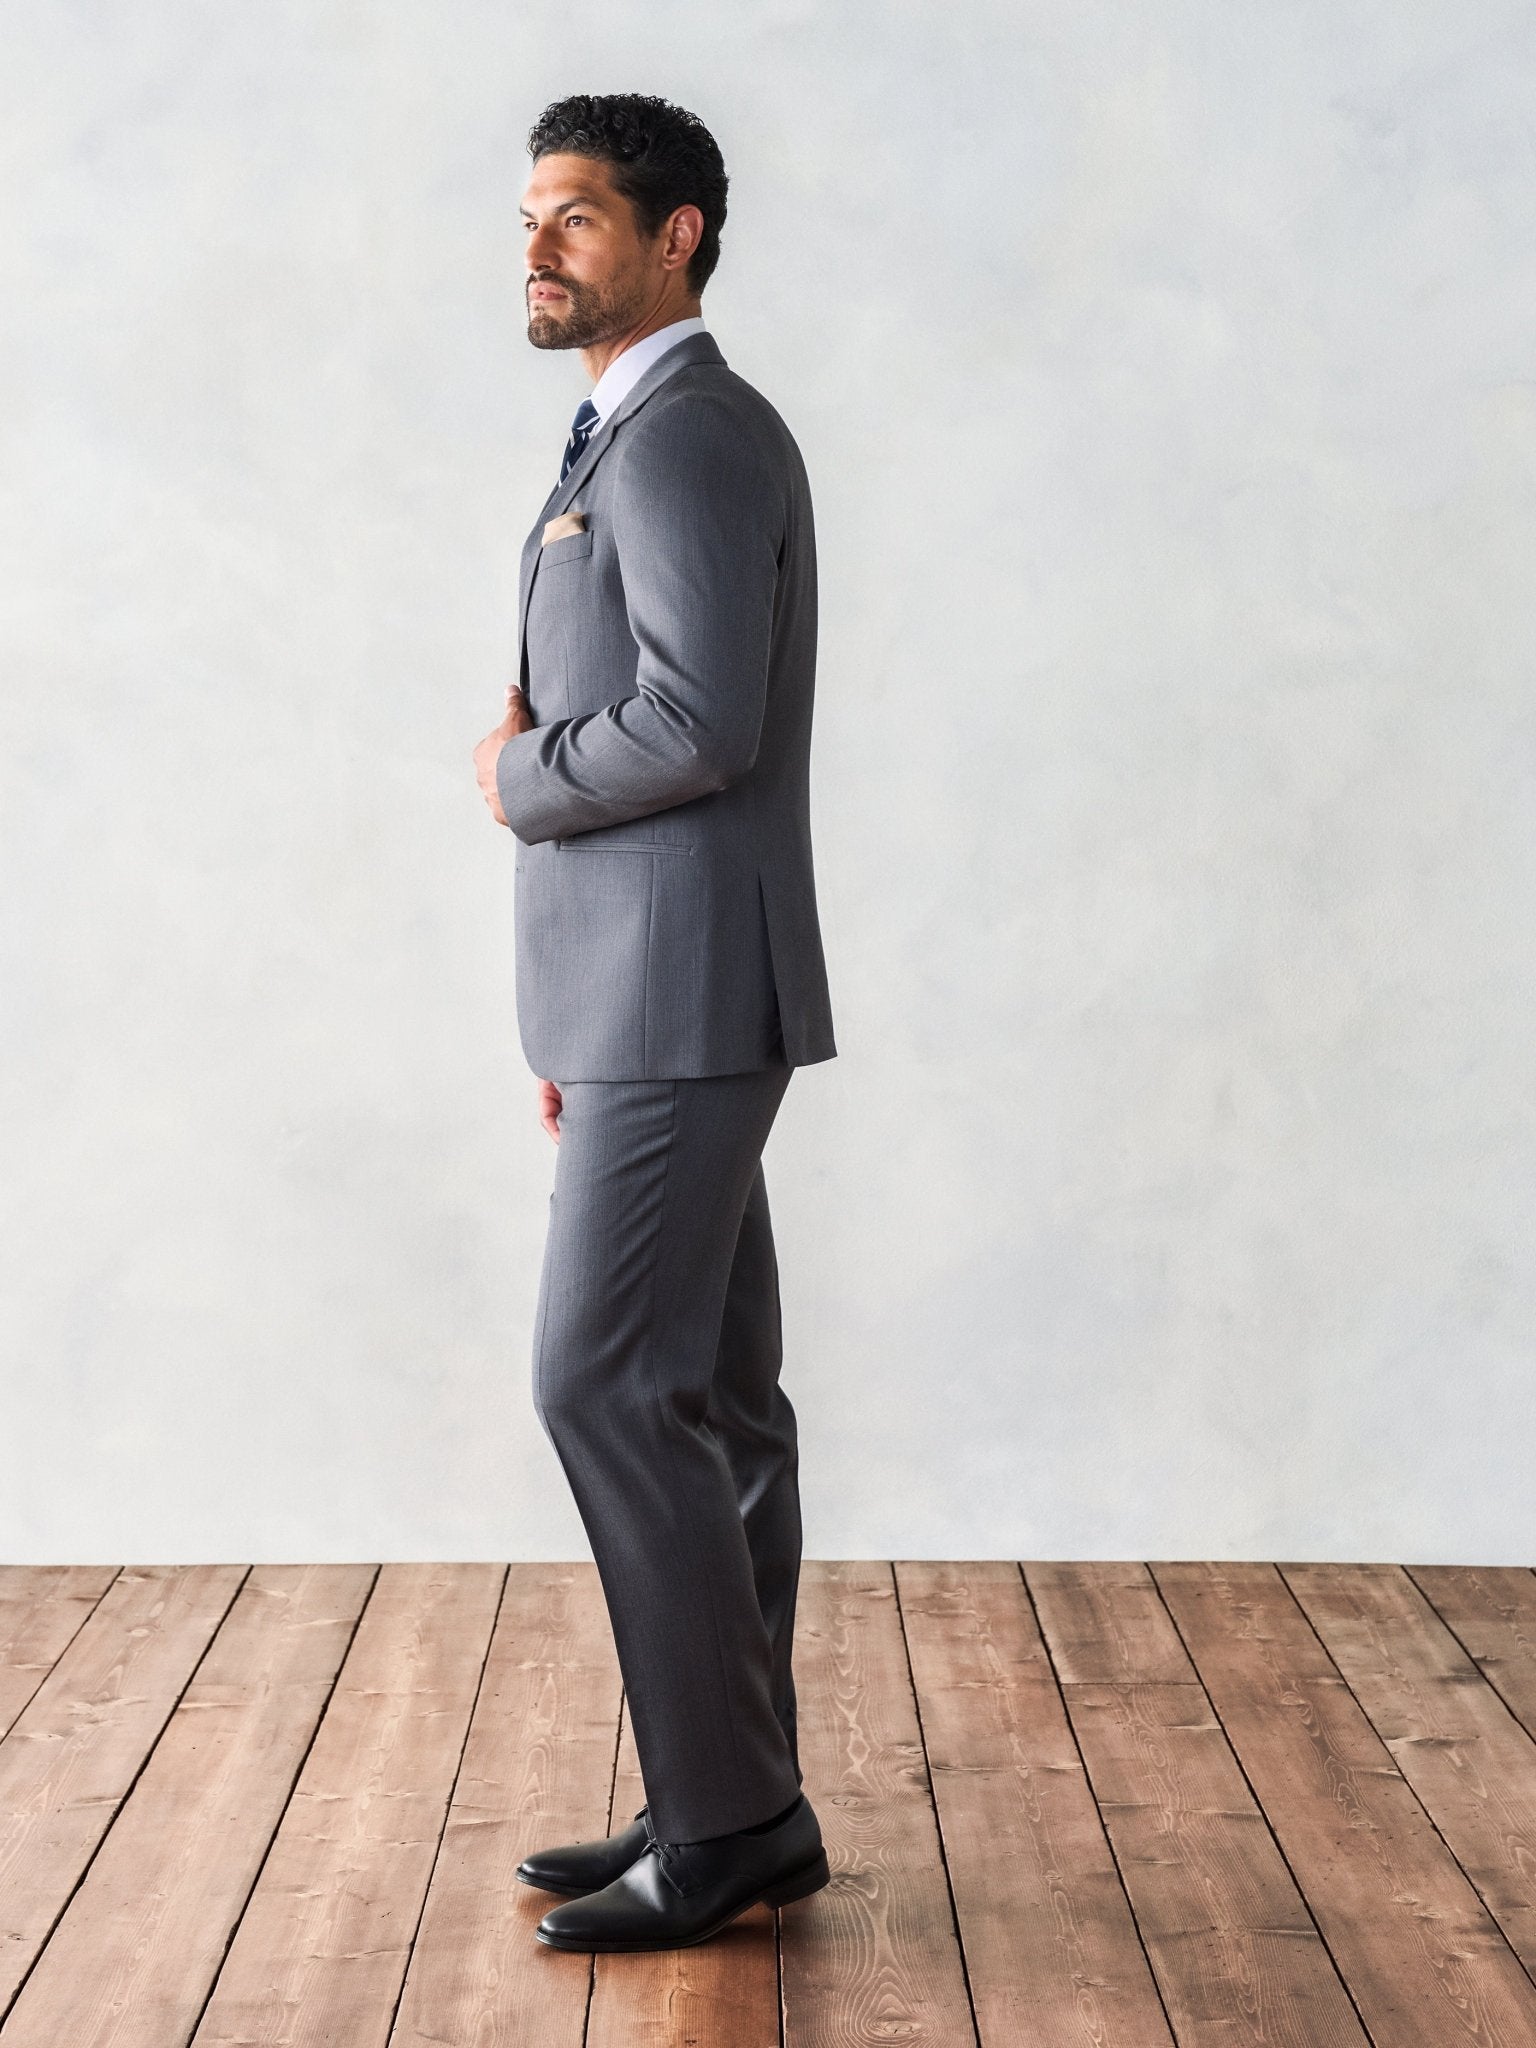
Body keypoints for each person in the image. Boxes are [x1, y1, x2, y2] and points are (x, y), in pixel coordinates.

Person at [472, 92, 838, 1953]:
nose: (537, 250)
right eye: (529, 218)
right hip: (650, 993)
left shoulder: (690, 432)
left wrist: (520, 777)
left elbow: (702, 720)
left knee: (605, 1384)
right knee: (711, 1399)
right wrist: (577, 1014)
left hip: (683, 991)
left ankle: (732, 1817)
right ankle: (730, 1787)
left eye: (578, 218)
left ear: (677, 235)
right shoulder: (629, 425)